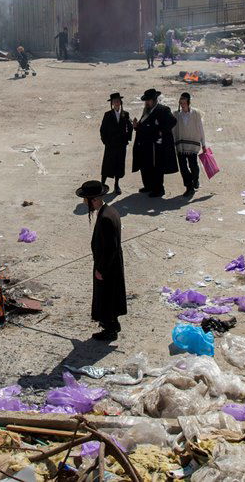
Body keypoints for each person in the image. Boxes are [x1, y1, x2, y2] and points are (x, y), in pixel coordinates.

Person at [76, 180, 126, 342]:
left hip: (108, 266)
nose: (84, 202)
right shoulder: (109, 211)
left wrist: (101, 269)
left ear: (95, 199)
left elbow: (110, 248)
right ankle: (112, 324)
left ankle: (110, 330)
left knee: (106, 298)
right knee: (109, 296)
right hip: (110, 263)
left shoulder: (105, 217)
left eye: (86, 199)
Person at [132, 88, 178, 198]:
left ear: (154, 100)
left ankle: (158, 189)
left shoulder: (163, 110)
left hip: (156, 147)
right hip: (145, 145)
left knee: (157, 168)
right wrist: (137, 126)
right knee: (145, 166)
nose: (146, 102)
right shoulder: (146, 110)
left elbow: (173, 122)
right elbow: (144, 127)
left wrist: (160, 131)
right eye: (146, 100)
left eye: (148, 100)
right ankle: (148, 186)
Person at [173, 92, 206, 194]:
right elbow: (172, 129)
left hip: (193, 145)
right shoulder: (176, 115)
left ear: (188, 102)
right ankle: (189, 187)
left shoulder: (196, 114)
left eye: (184, 103)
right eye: (181, 103)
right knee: (183, 168)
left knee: (193, 166)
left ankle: (195, 179)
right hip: (181, 145)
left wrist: (203, 144)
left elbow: (200, 129)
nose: (182, 105)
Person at [100, 92, 132, 194]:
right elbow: (102, 129)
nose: (116, 103)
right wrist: (105, 141)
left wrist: (127, 139)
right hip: (110, 144)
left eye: (118, 101)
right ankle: (102, 184)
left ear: (120, 102)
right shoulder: (108, 115)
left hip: (121, 144)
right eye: (114, 101)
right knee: (107, 164)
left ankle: (116, 184)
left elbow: (130, 127)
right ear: (112, 103)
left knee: (119, 164)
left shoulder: (125, 114)